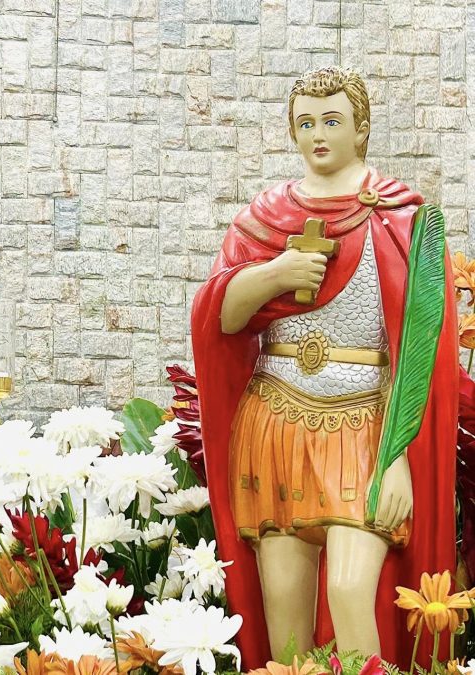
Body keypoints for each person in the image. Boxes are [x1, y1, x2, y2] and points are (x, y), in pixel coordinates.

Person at [191, 67, 459, 667]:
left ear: (361, 128)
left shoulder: (401, 218)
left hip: (364, 427)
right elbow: (220, 316)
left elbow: (417, 351)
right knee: (284, 617)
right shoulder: (265, 218)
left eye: (332, 120)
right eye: (305, 122)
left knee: (347, 592)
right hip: (275, 420)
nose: (318, 133)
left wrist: (398, 461)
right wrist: (273, 275)